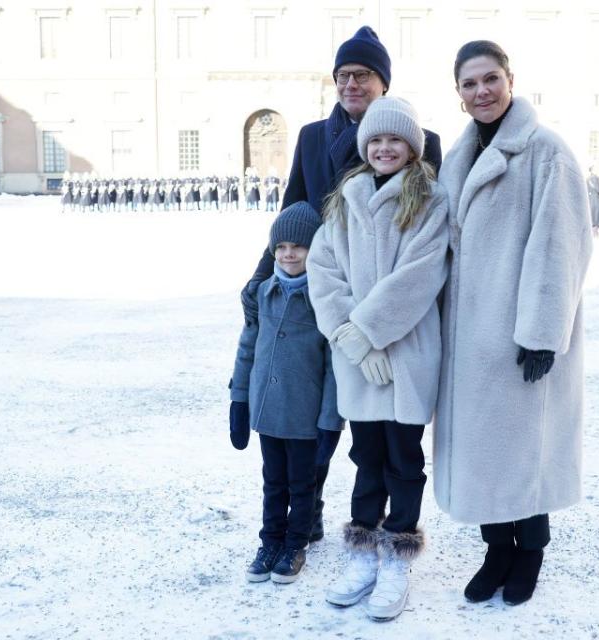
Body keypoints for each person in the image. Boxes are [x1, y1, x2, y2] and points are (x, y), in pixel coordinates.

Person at [236, 25, 444, 543]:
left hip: (392, 320)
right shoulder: (311, 135)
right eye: (344, 75)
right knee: (319, 421)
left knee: (388, 438)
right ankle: (308, 512)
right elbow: (295, 210)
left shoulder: (424, 143)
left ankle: (392, 529)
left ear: (383, 84)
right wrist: (264, 273)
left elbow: (431, 238)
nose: (352, 84)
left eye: (364, 75)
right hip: (322, 304)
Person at [434, 40, 592, 607]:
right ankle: (496, 547)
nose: (481, 91)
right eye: (469, 84)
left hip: (519, 332)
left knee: (528, 446)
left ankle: (530, 552)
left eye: (490, 79)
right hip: (467, 335)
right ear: (458, 95)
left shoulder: (545, 151)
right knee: (484, 451)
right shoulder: (457, 156)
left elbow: (561, 244)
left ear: (510, 80)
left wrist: (543, 333)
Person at [307, 97, 449, 621]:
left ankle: (397, 554)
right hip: (357, 359)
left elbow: (420, 276)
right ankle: (363, 552)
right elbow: (323, 272)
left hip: (408, 355)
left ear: (412, 147)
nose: (385, 148)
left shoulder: (431, 200)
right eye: (376, 140)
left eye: (395, 140)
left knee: (404, 461)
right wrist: (351, 339)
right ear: (366, 147)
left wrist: (367, 331)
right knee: (366, 457)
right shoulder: (345, 199)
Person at [228, 202, 343, 585]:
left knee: (302, 483)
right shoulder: (263, 293)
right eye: (280, 247)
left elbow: (334, 367)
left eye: (298, 246)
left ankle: (296, 544)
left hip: (304, 416)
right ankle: (270, 541)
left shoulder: (324, 298)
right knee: (272, 481)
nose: (288, 254)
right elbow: (247, 348)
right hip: (267, 411)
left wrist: (330, 421)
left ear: (314, 250)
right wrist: (239, 399)